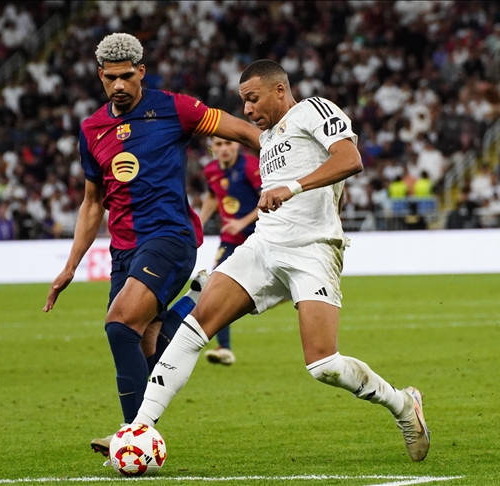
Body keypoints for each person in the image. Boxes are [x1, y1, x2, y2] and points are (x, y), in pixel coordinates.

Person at [127, 60, 431, 462]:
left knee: (323, 365)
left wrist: (292, 187)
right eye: (244, 102)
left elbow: (350, 159)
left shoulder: (314, 110)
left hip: (313, 248)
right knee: (192, 329)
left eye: (253, 100)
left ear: (280, 91)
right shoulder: (267, 138)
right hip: (263, 247)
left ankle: (403, 404)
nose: (249, 110)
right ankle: (138, 428)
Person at [41, 33, 262, 455]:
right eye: (111, 79)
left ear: (141, 72)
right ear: (100, 76)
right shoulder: (91, 129)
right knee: (148, 351)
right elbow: (92, 204)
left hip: (170, 237)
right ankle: (190, 306)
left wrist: (284, 164)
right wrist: (70, 266)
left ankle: (131, 433)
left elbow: (244, 132)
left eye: (127, 77)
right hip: (124, 251)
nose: (119, 86)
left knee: (119, 323)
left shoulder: (175, 108)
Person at [199, 136, 262, 366]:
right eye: (218, 145)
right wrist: (200, 221)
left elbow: (268, 198)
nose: (224, 149)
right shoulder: (211, 170)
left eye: (228, 144)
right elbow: (213, 197)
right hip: (231, 239)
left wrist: (242, 222)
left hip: (261, 237)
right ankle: (224, 347)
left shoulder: (250, 165)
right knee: (215, 288)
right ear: (212, 148)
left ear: (237, 145)